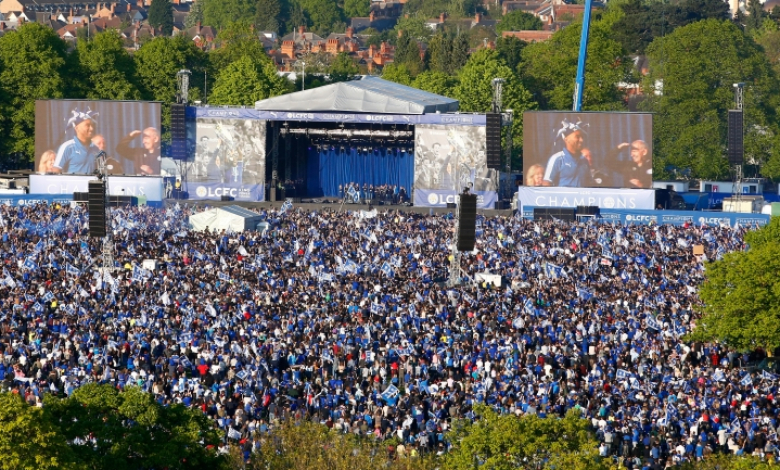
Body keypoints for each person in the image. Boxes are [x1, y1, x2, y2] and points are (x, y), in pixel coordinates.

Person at [542, 119, 590, 187]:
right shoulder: (557, 159)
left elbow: (589, 183)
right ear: (566, 139)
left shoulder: (584, 161)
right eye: (577, 137)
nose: (581, 140)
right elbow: (546, 183)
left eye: (582, 137)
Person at [52, 108, 101, 174]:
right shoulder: (67, 147)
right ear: (77, 128)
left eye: (92, 125)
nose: (91, 128)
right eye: (87, 125)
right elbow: (56, 170)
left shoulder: (95, 148)